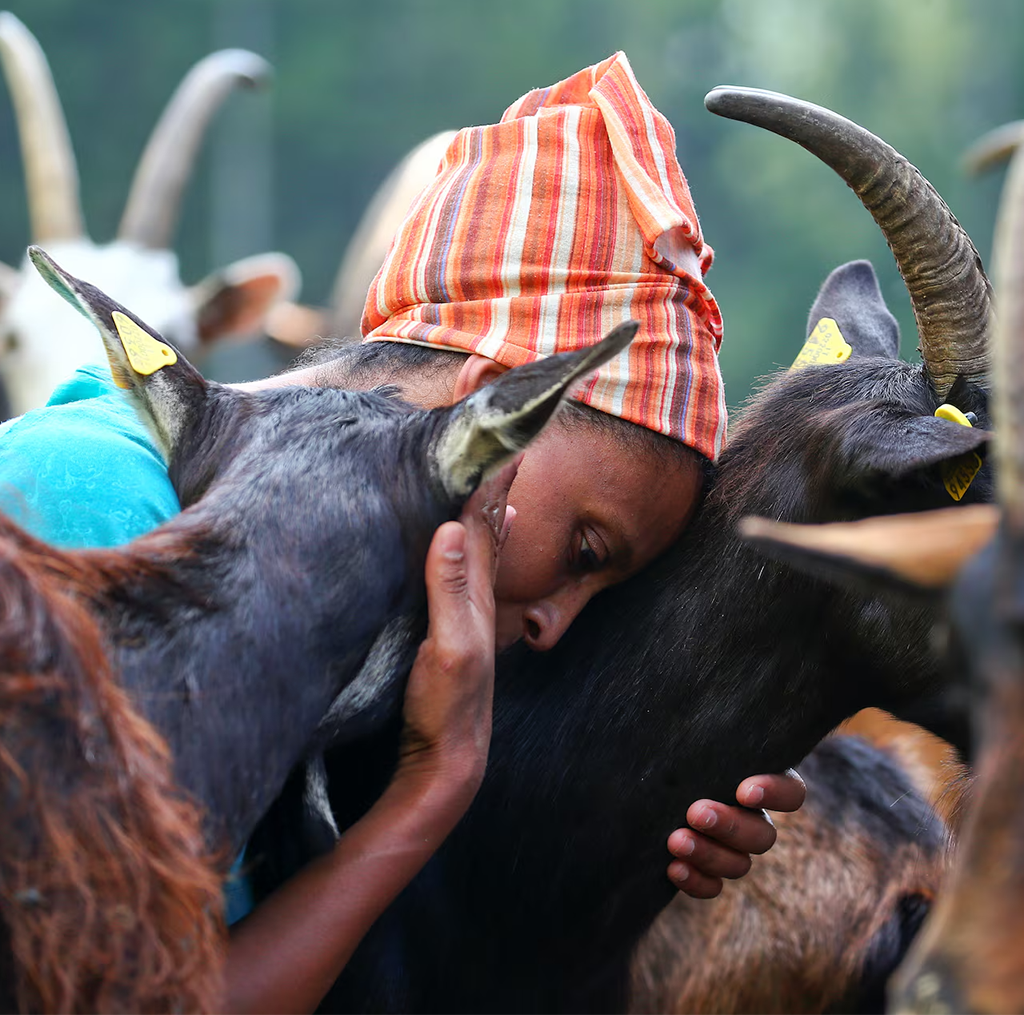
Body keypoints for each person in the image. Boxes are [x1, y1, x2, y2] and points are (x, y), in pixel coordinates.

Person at [0, 53, 805, 1013]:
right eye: (587, 554)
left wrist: (637, 793)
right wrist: (432, 790)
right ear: (491, 408)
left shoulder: (350, 616)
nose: (555, 624)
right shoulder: (90, 504)